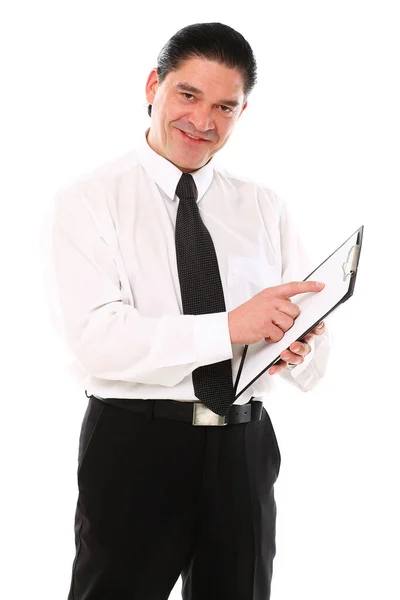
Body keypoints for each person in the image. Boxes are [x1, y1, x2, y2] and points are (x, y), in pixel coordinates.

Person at [43, 21, 330, 600]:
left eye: (225, 106)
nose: (203, 122)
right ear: (154, 85)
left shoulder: (264, 206)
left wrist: (296, 349)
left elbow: (313, 357)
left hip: (243, 449)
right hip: (136, 447)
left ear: (242, 112)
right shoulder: (89, 199)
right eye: (188, 95)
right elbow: (97, 338)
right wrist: (231, 328)